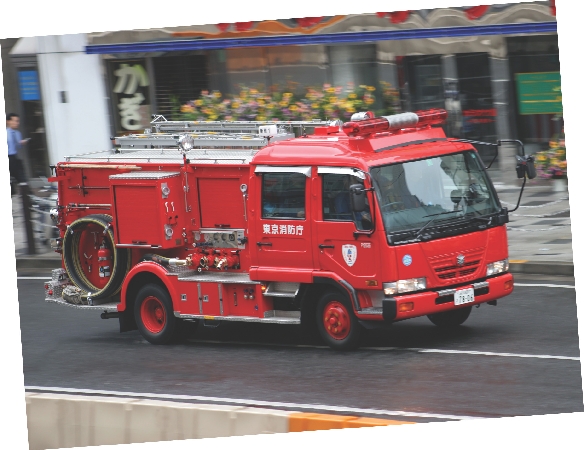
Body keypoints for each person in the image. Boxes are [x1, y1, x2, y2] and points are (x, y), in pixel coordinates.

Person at [6, 113, 28, 193]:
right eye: (15, 121)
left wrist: (22, 143)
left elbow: (19, 146)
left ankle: (26, 195)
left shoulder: (18, 133)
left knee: (22, 178)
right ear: (8, 121)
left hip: (14, 157)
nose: (17, 123)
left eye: (18, 121)